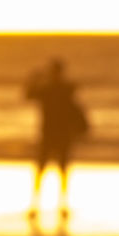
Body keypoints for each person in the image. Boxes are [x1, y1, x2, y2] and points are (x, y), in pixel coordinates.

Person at [23, 58, 90, 219]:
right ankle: (43, 205)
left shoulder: (55, 90)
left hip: (55, 134)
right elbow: (29, 95)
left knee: (54, 170)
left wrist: (34, 79)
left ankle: (54, 205)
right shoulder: (58, 89)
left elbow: (29, 95)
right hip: (53, 134)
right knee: (50, 170)